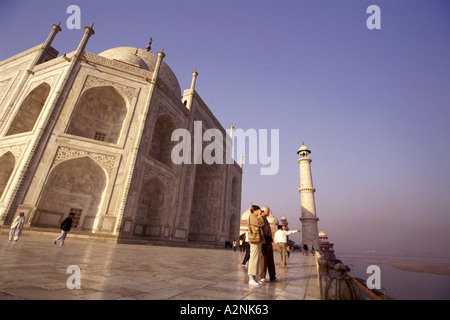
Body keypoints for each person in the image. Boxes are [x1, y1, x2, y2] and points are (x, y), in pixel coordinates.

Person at [247, 205, 265, 286]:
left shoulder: (254, 216)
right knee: (254, 258)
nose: (260, 212)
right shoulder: (252, 216)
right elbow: (260, 224)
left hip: (257, 239)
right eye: (259, 210)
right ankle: (251, 278)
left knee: (256, 258)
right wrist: (260, 216)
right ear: (255, 210)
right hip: (254, 239)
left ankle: (254, 278)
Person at [259, 206, 277, 282]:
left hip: (268, 241)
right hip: (264, 241)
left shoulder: (266, 219)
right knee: (263, 259)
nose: (269, 212)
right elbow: (260, 230)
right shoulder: (260, 219)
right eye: (268, 211)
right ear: (263, 211)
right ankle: (262, 276)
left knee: (270, 260)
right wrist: (262, 241)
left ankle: (272, 276)